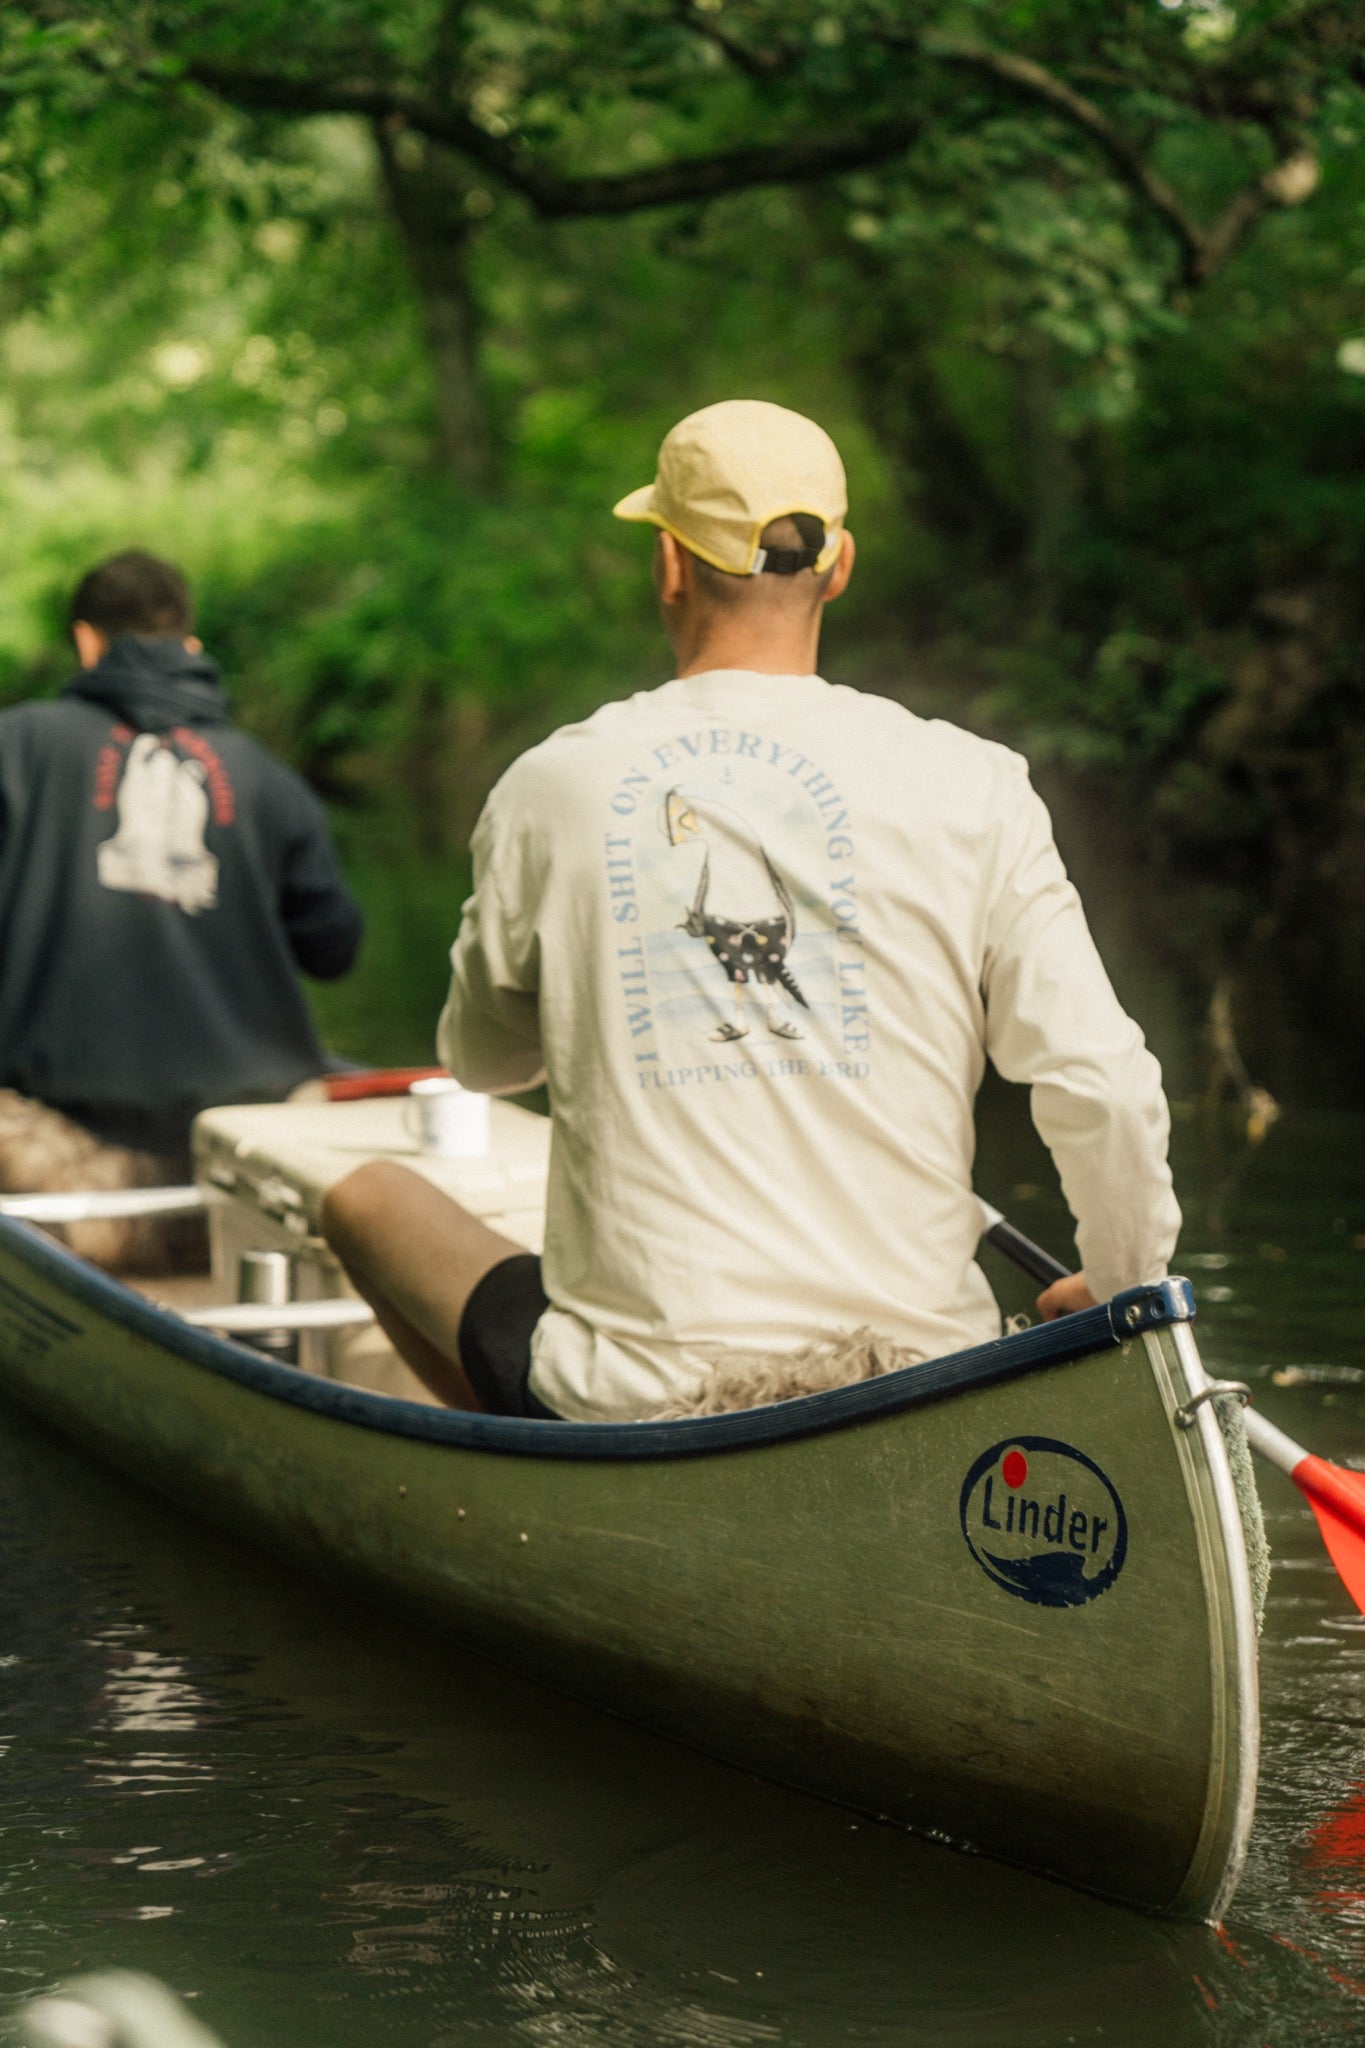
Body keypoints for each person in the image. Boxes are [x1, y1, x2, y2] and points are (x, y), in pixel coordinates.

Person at [323, 399, 1180, 1420]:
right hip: (918, 1375)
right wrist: (1124, 1286)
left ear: (670, 565)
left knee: (364, 1198)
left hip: (640, 1400)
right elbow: (1106, 1085)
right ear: (842, 564)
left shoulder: (550, 785)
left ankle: (532, 1477)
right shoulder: (975, 780)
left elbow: (483, 1063)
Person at [0, 549, 363, 1270]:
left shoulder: (17, 744)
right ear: (190, 646)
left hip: (59, 1163)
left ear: (86, 641)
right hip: (240, 1156)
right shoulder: (267, 779)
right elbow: (334, 948)